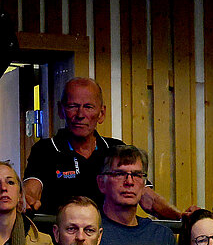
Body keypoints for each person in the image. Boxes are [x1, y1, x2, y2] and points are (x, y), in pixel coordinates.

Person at [22, 77, 176, 217]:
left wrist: (182, 217)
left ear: (101, 113)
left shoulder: (115, 149)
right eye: (72, 106)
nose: (80, 114)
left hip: (108, 242)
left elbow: (147, 197)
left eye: (88, 107)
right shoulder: (45, 150)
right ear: (61, 110)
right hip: (59, 241)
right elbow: (31, 190)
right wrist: (25, 200)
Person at [93, 145, 175, 245]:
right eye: (120, 174)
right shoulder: (88, 234)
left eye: (137, 175)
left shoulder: (161, 237)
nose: (129, 182)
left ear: (144, 185)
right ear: (101, 183)